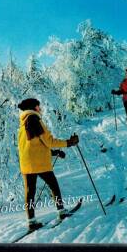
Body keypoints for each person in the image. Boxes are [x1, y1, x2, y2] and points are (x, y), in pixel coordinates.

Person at [17, 98, 79, 231]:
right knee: (53, 186)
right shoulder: (34, 119)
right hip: (39, 163)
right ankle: (61, 212)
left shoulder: (23, 123)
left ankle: (31, 222)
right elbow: (49, 141)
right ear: (34, 107)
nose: (40, 108)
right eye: (38, 106)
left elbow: (34, 144)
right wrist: (69, 142)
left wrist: (54, 152)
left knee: (30, 192)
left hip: (26, 164)